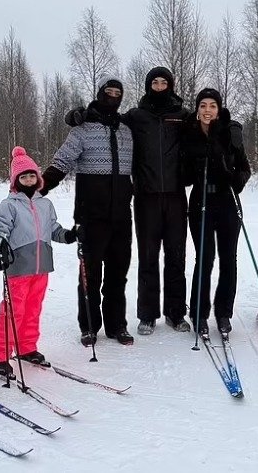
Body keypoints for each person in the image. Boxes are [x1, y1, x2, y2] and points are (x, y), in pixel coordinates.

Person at [66, 66, 190, 336]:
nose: (159, 86)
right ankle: (147, 315)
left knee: (176, 257)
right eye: (154, 82)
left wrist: (230, 125)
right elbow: (106, 117)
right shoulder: (136, 116)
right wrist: (78, 115)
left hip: (176, 196)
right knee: (147, 257)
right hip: (145, 197)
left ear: (170, 85)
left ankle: (176, 312)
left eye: (163, 82)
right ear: (148, 86)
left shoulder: (182, 116)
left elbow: (207, 128)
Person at [41, 76, 135, 346]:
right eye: (109, 91)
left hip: (121, 215)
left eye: (118, 92)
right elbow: (62, 161)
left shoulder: (126, 129)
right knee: (90, 275)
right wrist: (40, 187)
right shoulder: (82, 128)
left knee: (118, 274)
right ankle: (90, 326)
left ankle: (117, 325)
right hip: (91, 215)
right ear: (100, 93)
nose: (113, 96)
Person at [0, 146, 77, 377]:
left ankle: (26, 347)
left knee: (33, 309)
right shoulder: (9, 205)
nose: (28, 179)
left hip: (42, 265)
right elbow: (1, 230)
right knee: (12, 311)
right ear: (16, 180)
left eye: (31, 175)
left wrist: (68, 235)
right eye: (23, 176)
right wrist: (1, 244)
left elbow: (53, 229)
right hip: (18, 267)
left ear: (37, 178)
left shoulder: (45, 204)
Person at [181, 88, 251, 335]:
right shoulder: (189, 133)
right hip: (201, 199)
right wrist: (190, 172)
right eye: (203, 105)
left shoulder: (230, 132)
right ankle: (199, 313)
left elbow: (245, 168)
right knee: (205, 259)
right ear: (197, 109)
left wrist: (235, 179)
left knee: (228, 259)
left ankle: (223, 313)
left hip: (227, 200)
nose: (207, 110)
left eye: (212, 105)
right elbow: (184, 173)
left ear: (218, 109)